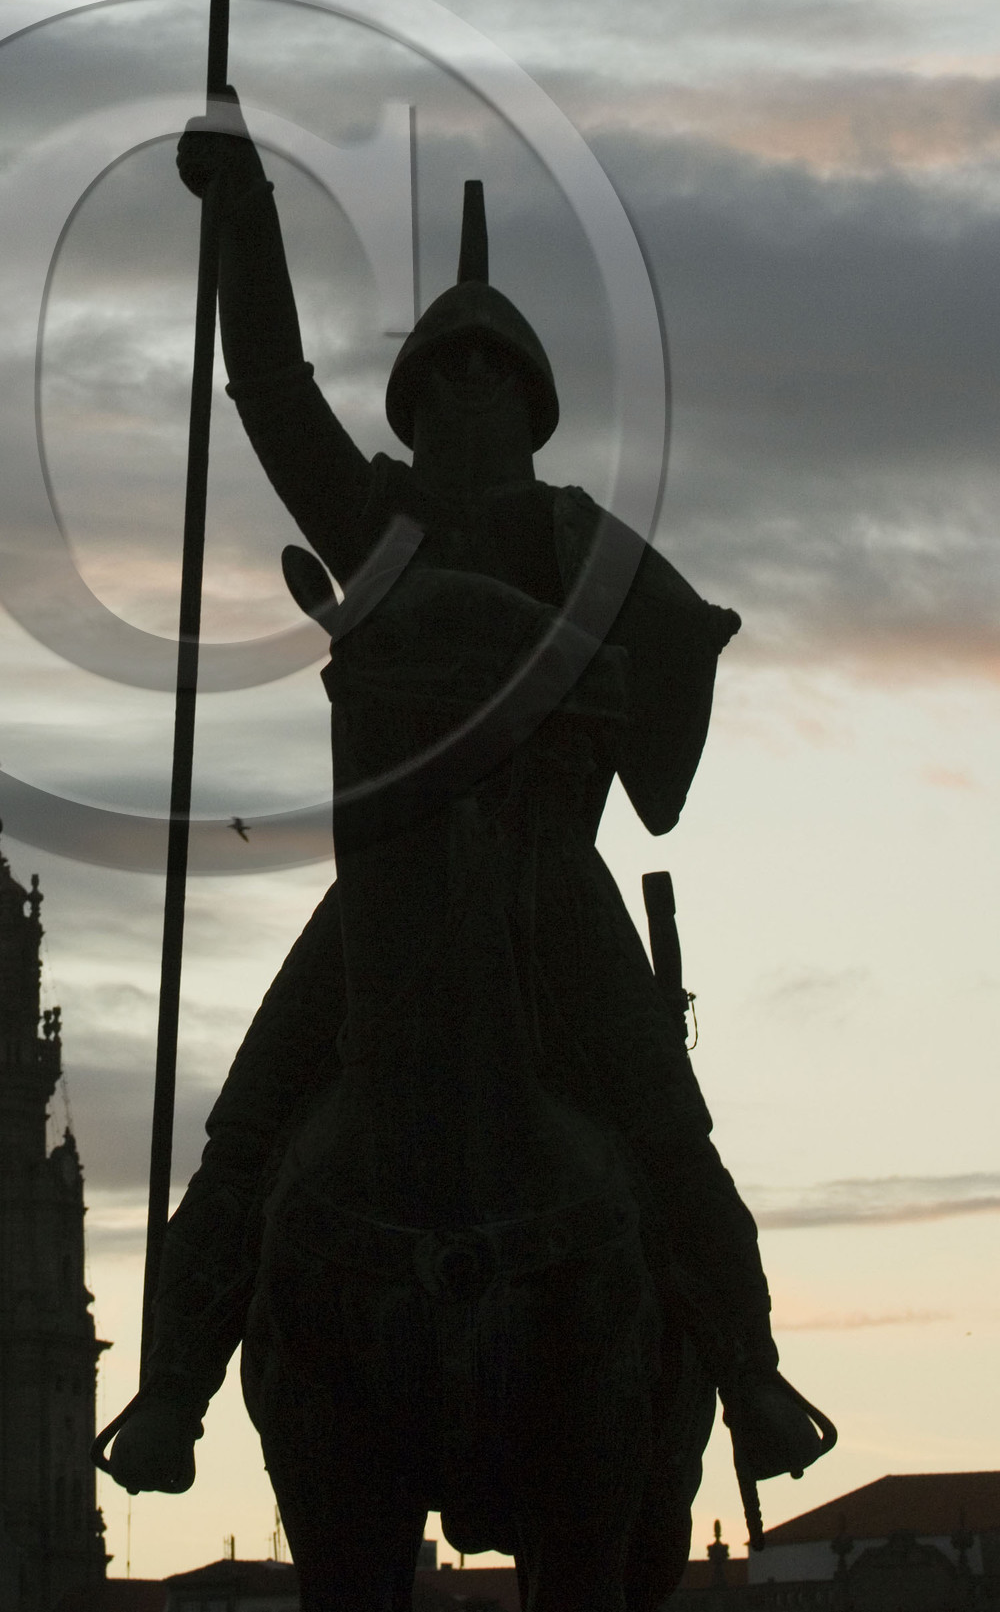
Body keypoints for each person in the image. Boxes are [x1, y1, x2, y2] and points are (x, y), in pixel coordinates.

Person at [107, 95, 832, 1545]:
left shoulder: (592, 547)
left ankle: (750, 1373)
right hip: (388, 885)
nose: (466, 402)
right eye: (445, 381)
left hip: (547, 882)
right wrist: (244, 215)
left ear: (529, 398)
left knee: (664, 1125)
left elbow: (665, 752)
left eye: (492, 379)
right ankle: (176, 1388)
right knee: (248, 1131)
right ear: (420, 400)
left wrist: (615, 673)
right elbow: (271, 390)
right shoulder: (376, 521)